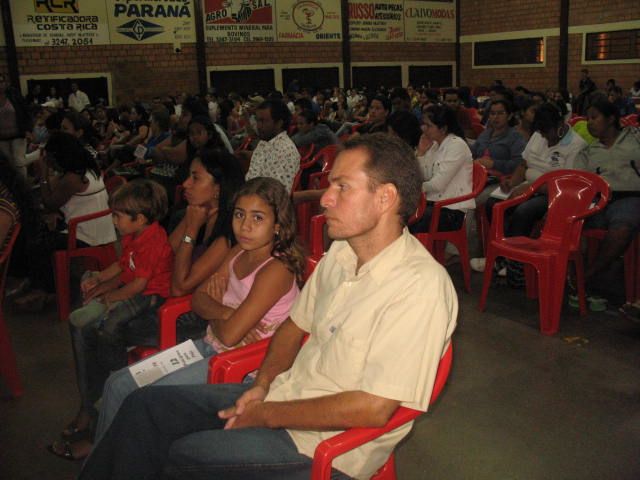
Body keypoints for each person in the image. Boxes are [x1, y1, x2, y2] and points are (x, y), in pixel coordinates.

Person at [78, 133, 458, 480]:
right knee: (145, 407)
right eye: (330, 185)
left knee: (180, 453)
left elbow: (374, 407)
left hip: (324, 447)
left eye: (342, 187)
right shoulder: (341, 255)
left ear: (385, 198)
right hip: (284, 396)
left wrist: (267, 415)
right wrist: (261, 386)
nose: (325, 198)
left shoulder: (418, 286)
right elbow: (293, 327)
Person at [81, 176, 303, 462]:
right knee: (117, 384)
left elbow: (230, 336)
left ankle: (111, 461)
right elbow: (198, 299)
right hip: (208, 345)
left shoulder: (276, 269)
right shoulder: (239, 251)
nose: (245, 226)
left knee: (139, 400)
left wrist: (218, 313)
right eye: (239, 215)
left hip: (238, 365)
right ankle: (101, 460)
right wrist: (225, 313)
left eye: (257, 218)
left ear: (278, 225)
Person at [47, 179, 174, 461]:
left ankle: (113, 378)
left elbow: (139, 285)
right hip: (133, 289)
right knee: (83, 319)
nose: (113, 221)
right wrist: (100, 279)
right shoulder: (133, 235)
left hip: (152, 297)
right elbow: (122, 265)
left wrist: (110, 297)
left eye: (117, 216)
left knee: (111, 324)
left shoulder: (153, 240)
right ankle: (90, 403)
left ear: (139, 219)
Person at [473, 103, 587, 281]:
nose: (544, 137)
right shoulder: (538, 135)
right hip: (528, 186)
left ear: (559, 125)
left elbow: (567, 185)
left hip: (554, 196)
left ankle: (515, 265)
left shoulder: (576, 145)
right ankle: (501, 257)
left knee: (523, 212)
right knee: (493, 204)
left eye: (546, 132)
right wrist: (512, 183)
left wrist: (530, 188)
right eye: (541, 132)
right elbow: (523, 164)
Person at [14, 132, 116, 310]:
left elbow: (49, 203)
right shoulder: (86, 169)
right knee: (36, 231)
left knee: (36, 241)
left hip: (86, 234)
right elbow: (56, 192)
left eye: (51, 157)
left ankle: (47, 290)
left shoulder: (73, 178)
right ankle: (37, 282)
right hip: (95, 228)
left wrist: (43, 174)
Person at [572, 98, 640, 311]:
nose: (589, 123)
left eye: (594, 117)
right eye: (588, 119)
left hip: (630, 197)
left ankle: (589, 277)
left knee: (622, 227)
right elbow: (579, 183)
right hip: (599, 200)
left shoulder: (635, 138)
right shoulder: (587, 152)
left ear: (611, 119)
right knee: (573, 224)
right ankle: (579, 280)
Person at [411, 104, 474, 234]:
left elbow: (437, 185)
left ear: (443, 128)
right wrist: (421, 153)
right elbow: (424, 176)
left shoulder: (456, 146)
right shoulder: (435, 144)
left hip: (452, 210)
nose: (423, 129)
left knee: (413, 220)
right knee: (400, 213)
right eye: (423, 124)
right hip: (435, 203)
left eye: (428, 125)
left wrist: (412, 187)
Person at [245, 99, 300, 193]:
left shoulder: (286, 151)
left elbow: (278, 195)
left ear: (279, 123)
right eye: (258, 120)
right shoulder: (263, 143)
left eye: (263, 121)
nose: (258, 126)